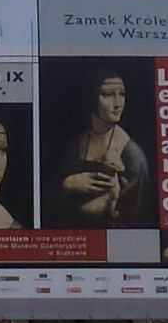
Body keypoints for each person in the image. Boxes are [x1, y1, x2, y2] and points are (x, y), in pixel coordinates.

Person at [54, 72, 148, 227]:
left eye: (122, 94)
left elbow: (132, 218)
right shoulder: (75, 145)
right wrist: (68, 184)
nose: (118, 103)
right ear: (91, 97)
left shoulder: (132, 156)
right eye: (107, 95)